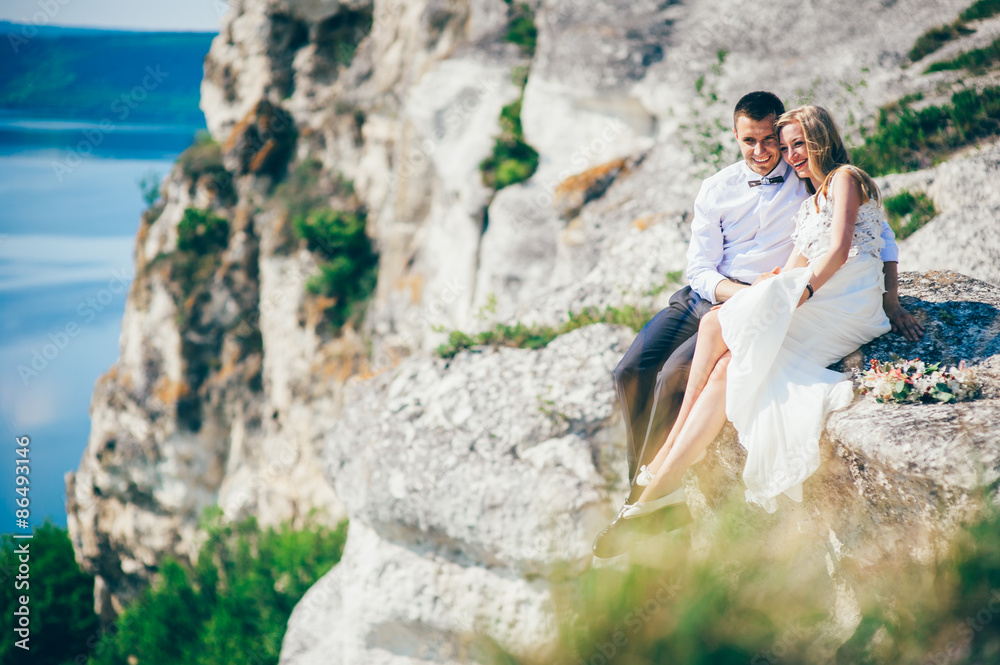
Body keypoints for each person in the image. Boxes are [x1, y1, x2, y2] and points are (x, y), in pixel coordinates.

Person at [595, 105, 902, 555]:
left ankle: (654, 486)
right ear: (736, 138)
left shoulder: (827, 180)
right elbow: (702, 267)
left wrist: (880, 298)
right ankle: (649, 484)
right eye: (752, 141)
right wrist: (759, 290)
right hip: (710, 293)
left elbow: (864, 240)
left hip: (828, 294)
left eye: (783, 142)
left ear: (813, 139)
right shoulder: (722, 187)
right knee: (631, 370)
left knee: (678, 373)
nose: (771, 152)